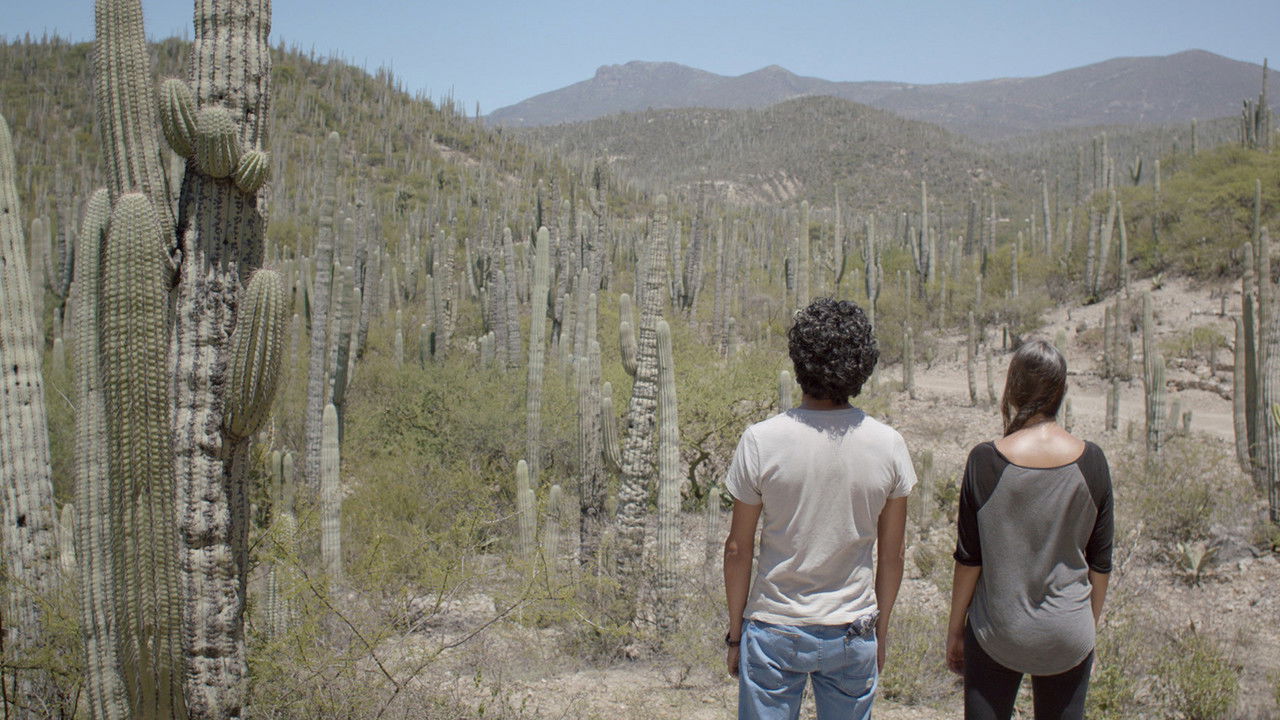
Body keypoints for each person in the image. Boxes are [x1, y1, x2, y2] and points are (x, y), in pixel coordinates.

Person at [723, 298, 915, 720]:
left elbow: (738, 548)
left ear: (799, 360)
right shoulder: (889, 445)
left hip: (774, 625)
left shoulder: (761, 440)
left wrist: (736, 633)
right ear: (862, 364)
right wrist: (880, 632)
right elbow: (894, 555)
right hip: (852, 629)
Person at [946, 339, 1113, 720]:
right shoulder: (1093, 463)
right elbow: (1100, 563)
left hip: (998, 631)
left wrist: (956, 629)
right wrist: (1087, 630)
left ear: (1012, 389)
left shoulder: (985, 461)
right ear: (1062, 391)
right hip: (1068, 630)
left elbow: (969, 560)